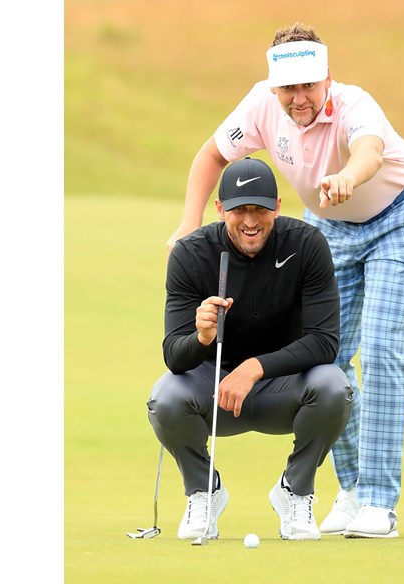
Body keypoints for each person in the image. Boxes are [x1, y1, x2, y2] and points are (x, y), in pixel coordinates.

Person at [166, 23, 404, 539]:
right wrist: (187, 222)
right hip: (330, 229)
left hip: (398, 216)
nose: (298, 99)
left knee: (382, 348)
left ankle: (379, 503)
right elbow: (212, 155)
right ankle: (352, 490)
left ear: (326, 79)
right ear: (274, 87)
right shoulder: (261, 106)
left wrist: (348, 177)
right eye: (287, 88)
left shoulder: (356, 105)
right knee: (326, 357)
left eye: (308, 87)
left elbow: (371, 152)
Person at [148, 157, 353, 541]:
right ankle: (202, 491)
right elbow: (174, 356)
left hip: (285, 387)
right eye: (240, 209)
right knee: (165, 396)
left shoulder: (307, 245)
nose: (250, 221)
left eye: (259, 208)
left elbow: (325, 341)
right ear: (220, 208)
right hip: (214, 390)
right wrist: (202, 338)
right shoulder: (191, 254)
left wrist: (254, 368)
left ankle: (295, 490)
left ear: (277, 206)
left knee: (333, 386)